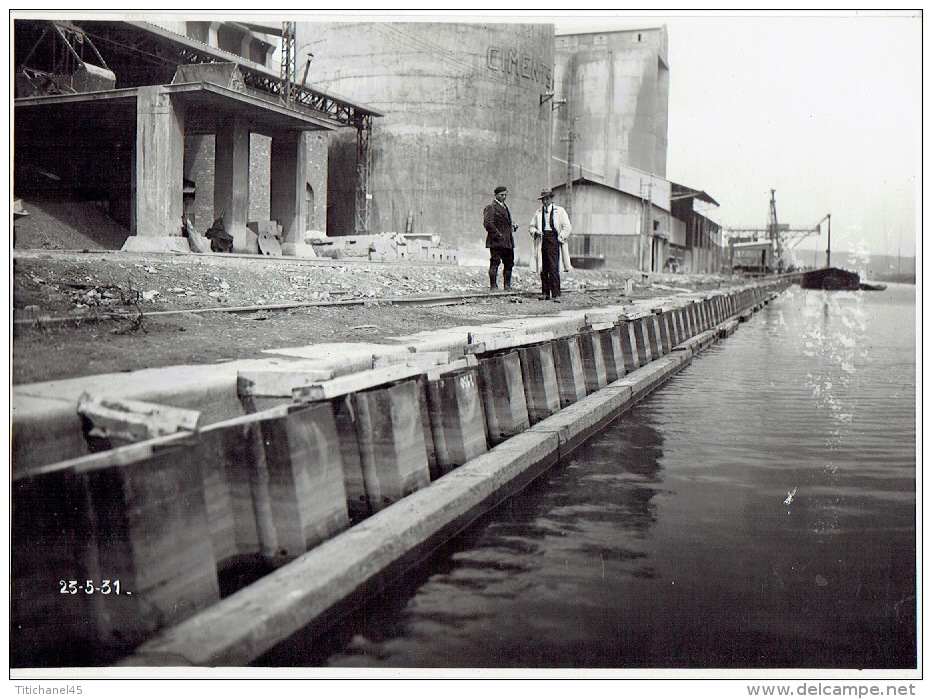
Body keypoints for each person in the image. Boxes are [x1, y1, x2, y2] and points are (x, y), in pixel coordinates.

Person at [529, 188, 572, 301]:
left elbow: (567, 227)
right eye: (543, 199)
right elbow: (531, 226)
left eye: (547, 199)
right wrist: (536, 232)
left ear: (551, 199)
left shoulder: (560, 211)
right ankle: (545, 293)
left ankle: (556, 294)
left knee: (554, 267)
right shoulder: (538, 213)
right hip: (543, 240)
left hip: (554, 240)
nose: (545, 201)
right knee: (544, 267)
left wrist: (560, 237)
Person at [483, 185, 518, 290]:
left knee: (509, 263)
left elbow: (505, 224)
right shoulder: (491, 207)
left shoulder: (505, 208)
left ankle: (507, 286)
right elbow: (487, 224)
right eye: (501, 195)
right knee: (495, 263)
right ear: (495, 195)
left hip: (507, 242)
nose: (504, 197)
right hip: (496, 242)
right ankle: (493, 286)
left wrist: (512, 227)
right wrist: (499, 235)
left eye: (505, 195)